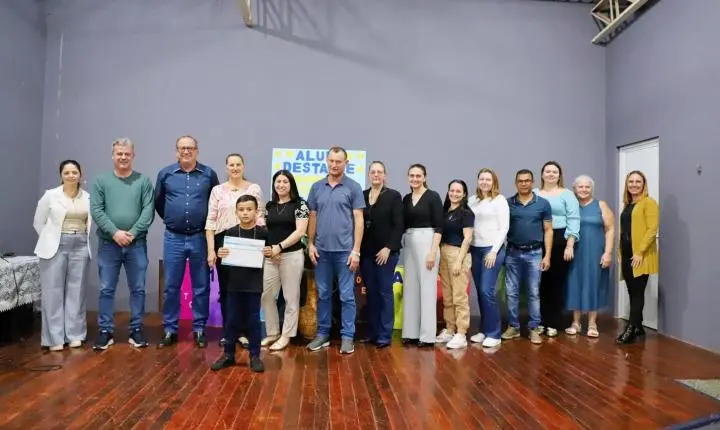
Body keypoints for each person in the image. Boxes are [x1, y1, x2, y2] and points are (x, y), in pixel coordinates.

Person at [89, 138, 155, 350]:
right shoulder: (101, 181)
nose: (123, 157)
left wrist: (132, 233)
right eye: (119, 153)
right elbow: (97, 210)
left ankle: (136, 330)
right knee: (106, 289)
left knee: (138, 289)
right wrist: (115, 232)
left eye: (127, 154)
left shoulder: (143, 181)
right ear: (113, 156)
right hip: (109, 244)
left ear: (133, 156)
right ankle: (105, 331)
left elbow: (148, 211)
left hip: (137, 244)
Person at [155, 135, 219, 348]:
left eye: (190, 148)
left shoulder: (209, 174)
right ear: (176, 151)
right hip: (173, 237)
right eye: (182, 148)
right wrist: (174, 219)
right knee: (171, 286)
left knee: (201, 286)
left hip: (200, 237)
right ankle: (170, 329)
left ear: (197, 150)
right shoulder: (165, 174)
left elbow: (215, 203)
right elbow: (159, 203)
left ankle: (199, 328)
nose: (186, 151)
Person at [305, 147, 365, 354]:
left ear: (345, 163)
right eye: (331, 160)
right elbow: (312, 217)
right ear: (327, 161)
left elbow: (359, 219)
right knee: (323, 295)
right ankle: (323, 335)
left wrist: (356, 250)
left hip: (345, 253)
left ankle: (348, 337)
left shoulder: (353, 187)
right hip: (321, 252)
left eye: (338, 161)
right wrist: (310, 244)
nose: (334, 165)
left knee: (347, 296)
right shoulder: (316, 187)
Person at [205, 153, 264, 347]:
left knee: (247, 289)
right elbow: (211, 221)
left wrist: (261, 244)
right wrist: (212, 250)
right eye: (231, 165)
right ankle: (229, 332)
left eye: (238, 164)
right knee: (227, 289)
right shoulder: (217, 191)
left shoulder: (254, 188)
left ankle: (245, 332)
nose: (235, 168)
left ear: (243, 166)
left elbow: (260, 217)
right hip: (225, 243)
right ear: (226, 168)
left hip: (249, 242)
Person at [33, 160, 92, 351]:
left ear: (80, 175)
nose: (71, 176)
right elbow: (38, 222)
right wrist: (50, 239)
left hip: (80, 245)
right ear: (61, 175)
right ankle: (54, 339)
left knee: (77, 292)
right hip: (55, 246)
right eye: (67, 173)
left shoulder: (88, 197)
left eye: (74, 172)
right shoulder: (50, 195)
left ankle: (75, 334)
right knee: (53, 292)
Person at [210, 195, 266, 373]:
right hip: (233, 284)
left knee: (253, 321)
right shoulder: (230, 233)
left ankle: (255, 356)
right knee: (231, 319)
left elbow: (273, 254)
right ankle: (228, 355)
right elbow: (223, 255)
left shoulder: (263, 233)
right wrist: (221, 253)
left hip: (254, 284)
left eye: (249, 209)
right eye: (241, 210)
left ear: (256, 212)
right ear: (236, 212)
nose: (245, 213)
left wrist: (271, 251)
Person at [502, 169, 553, 345]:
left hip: (535, 253)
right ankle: (513, 326)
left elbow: (548, 230)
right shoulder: (507, 203)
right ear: (516, 183)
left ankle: (534, 328)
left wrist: (547, 256)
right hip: (512, 252)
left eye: (527, 180)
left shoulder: (543, 204)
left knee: (533, 292)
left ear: (532, 182)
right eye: (520, 181)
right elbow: (500, 228)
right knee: (511, 292)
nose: (524, 183)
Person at [261, 170, 309, 351]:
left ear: (291, 184)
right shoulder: (270, 206)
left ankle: (286, 335)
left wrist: (279, 247)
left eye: (285, 182)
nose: (281, 185)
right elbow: (266, 230)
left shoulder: (300, 204)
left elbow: (300, 231)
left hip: (292, 256)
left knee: (291, 297)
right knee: (266, 295)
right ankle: (273, 332)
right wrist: (270, 249)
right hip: (271, 257)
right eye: (278, 181)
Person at [359, 161, 403, 349]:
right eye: (373, 172)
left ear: (385, 175)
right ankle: (373, 333)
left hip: (386, 254)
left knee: (385, 293)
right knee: (371, 294)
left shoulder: (393, 196)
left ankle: (385, 335)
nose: (376, 175)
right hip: (366, 254)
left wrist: (388, 248)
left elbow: (399, 225)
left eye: (379, 172)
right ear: (369, 175)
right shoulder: (362, 196)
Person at [535, 161, 580, 337]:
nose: (551, 174)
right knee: (539, 283)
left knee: (556, 282)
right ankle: (540, 321)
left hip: (561, 240)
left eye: (554, 171)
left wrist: (570, 244)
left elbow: (574, 219)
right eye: (548, 171)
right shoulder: (535, 193)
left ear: (559, 175)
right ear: (542, 174)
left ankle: (553, 322)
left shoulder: (567, 194)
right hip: (538, 239)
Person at [565, 175, 614, 338]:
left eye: (587, 187)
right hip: (575, 252)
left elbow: (610, 229)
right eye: (580, 187)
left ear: (592, 189)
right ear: (575, 189)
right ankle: (576, 323)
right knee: (574, 284)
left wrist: (608, 252)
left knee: (594, 284)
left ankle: (592, 323)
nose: (584, 189)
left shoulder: (601, 205)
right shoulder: (571, 206)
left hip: (595, 252)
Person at [401, 164, 443, 348]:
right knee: (410, 287)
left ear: (424, 177)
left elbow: (439, 226)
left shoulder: (433, 197)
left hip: (428, 242)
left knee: (427, 288)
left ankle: (427, 336)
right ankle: (410, 333)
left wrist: (433, 252)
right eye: (412, 175)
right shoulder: (406, 198)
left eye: (418, 176)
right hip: (409, 242)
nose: (415, 179)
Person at [467, 168, 509, 348]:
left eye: (488, 179)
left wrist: (493, 251)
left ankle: (494, 333)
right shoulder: (472, 200)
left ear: (494, 182)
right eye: (482, 179)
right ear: (478, 181)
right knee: (480, 291)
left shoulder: (499, 200)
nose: (484, 182)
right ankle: (484, 330)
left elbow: (504, 227)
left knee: (486, 291)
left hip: (492, 250)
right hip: (475, 249)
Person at [616, 170, 659, 345]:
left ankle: (630, 330)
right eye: (631, 182)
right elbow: (625, 231)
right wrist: (620, 252)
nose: (634, 184)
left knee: (637, 292)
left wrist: (640, 252)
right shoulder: (628, 205)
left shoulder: (649, 203)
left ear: (644, 184)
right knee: (632, 291)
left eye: (638, 181)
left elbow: (652, 229)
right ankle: (638, 325)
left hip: (640, 255)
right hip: (627, 253)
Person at [435, 180, 474, 350]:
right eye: (452, 190)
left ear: (464, 194)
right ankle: (450, 329)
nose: (454, 194)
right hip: (443, 253)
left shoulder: (466, 213)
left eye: (458, 191)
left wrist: (459, 260)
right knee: (448, 296)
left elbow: (468, 238)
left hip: (458, 254)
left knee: (459, 296)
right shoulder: (445, 212)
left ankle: (461, 333)